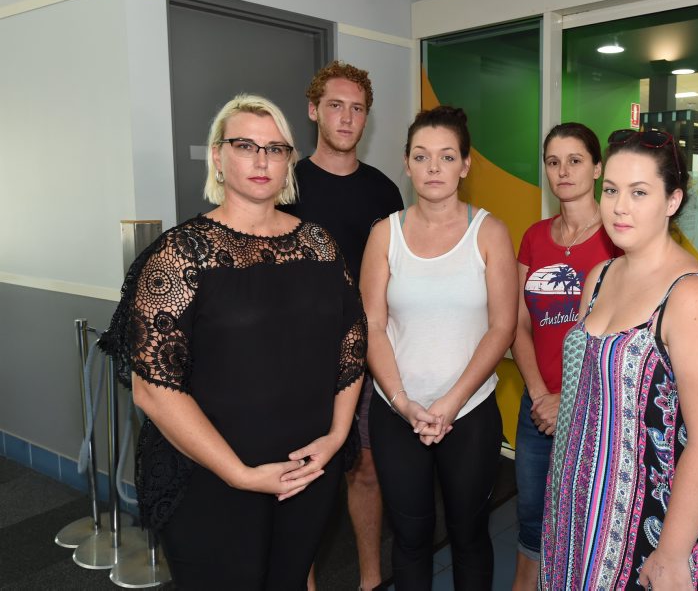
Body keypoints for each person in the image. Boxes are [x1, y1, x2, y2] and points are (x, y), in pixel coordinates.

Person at [100, 94, 366, 587]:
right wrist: (240, 474)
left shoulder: (320, 244)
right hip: (212, 477)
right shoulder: (180, 255)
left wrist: (334, 438)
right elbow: (152, 389)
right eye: (246, 145)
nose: (262, 160)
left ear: (289, 161)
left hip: (308, 469)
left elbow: (351, 347)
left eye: (276, 148)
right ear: (218, 158)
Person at [541, 129, 698, 591]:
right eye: (611, 190)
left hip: (655, 524)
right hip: (576, 504)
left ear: (672, 201)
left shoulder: (692, 296)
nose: (619, 206)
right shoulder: (600, 276)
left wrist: (670, 554)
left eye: (639, 192)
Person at [361, 105, 518, 589]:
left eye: (447, 157)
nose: (434, 168)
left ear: (465, 165)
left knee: (469, 532)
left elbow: (502, 327)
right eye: (422, 156)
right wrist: (405, 402)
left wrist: (449, 403)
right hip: (397, 412)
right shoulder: (384, 234)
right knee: (410, 536)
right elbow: (373, 324)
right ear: (406, 163)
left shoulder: (489, 233)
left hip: (468, 411)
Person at [281, 61, 403, 591]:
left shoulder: (383, 191)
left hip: (368, 354)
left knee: (367, 469)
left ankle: (370, 580)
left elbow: (398, 274)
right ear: (314, 111)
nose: (346, 117)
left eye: (357, 108)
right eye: (335, 105)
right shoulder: (286, 185)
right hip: (299, 359)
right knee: (304, 474)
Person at [510, 123, 620, 590]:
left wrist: (567, 401)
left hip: (597, 408)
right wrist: (540, 395)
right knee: (532, 516)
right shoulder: (534, 237)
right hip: (537, 408)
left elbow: (620, 337)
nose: (563, 171)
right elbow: (517, 324)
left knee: (590, 519)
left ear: (597, 168)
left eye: (575, 160)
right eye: (553, 161)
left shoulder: (618, 240)